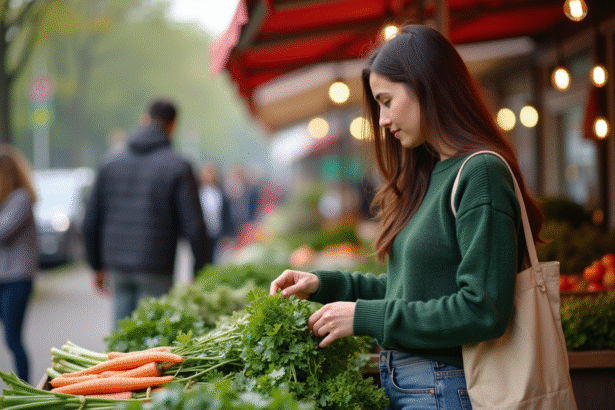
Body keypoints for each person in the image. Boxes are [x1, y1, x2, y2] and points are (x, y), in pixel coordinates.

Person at [269, 25, 544, 410]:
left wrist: (364, 317)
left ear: (426, 87)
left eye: (386, 101)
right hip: (409, 381)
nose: (381, 120)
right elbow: (413, 292)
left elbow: (483, 310)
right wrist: (325, 285)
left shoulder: (480, 174)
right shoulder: (429, 173)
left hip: (448, 387)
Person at [83, 99, 211, 327]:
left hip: (117, 265)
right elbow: (194, 225)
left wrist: (97, 266)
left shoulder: (110, 162)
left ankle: (117, 363)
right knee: (151, 338)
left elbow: (91, 218)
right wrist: (200, 270)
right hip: (156, 264)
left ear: (145, 119)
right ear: (172, 126)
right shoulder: (178, 165)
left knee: (121, 338)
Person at [0, 145, 38, 383]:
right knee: (11, 338)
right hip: (5, 278)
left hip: (17, 279)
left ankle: (25, 388)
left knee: (13, 338)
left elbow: (3, 232)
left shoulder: (21, 199)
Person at [198, 162, 232, 263]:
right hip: (202, 231)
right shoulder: (198, 192)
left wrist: (226, 233)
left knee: (215, 258)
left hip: (216, 230)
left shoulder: (220, 192)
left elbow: (226, 214)